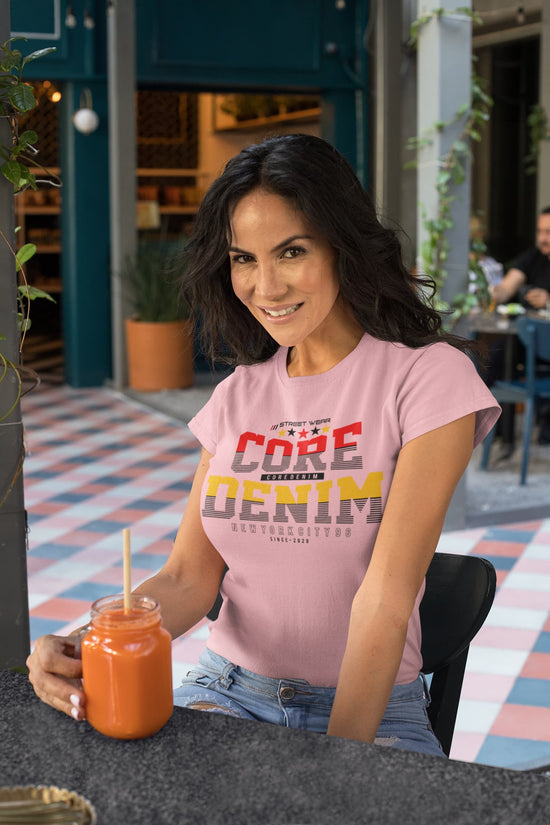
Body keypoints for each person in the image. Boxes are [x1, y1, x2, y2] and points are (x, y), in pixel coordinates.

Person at [27, 134, 500, 757]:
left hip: (372, 711)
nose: (265, 286)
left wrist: (333, 766)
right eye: (243, 258)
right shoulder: (237, 395)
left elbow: (384, 601)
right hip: (224, 691)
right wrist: (85, 642)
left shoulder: (427, 378)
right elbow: (187, 579)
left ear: (344, 248)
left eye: (292, 251)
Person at [491, 206, 550, 310]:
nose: (542, 239)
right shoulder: (534, 256)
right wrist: (491, 295)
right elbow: (506, 288)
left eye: (548, 232)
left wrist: (548, 302)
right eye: (539, 231)